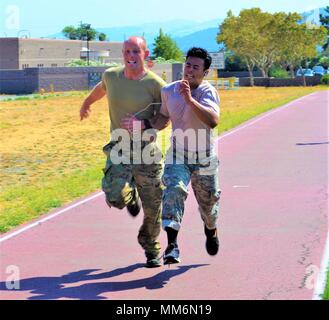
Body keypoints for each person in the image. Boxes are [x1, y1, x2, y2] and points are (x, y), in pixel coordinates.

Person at [80, 36, 167, 268]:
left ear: (145, 55)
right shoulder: (112, 76)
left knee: (153, 207)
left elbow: (164, 118)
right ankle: (130, 197)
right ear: (123, 54)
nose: (131, 56)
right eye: (127, 52)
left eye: (136, 52)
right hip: (119, 148)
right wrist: (86, 103)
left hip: (147, 151)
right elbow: (101, 89)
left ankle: (151, 248)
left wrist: (145, 126)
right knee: (115, 196)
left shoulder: (156, 84)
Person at [155, 47, 221, 265]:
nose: (190, 70)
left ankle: (211, 230)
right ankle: (172, 245)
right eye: (188, 65)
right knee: (174, 190)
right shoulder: (168, 91)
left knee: (209, 205)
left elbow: (213, 121)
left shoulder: (207, 91)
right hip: (178, 154)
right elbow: (163, 118)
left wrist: (190, 99)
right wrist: (144, 126)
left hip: (204, 157)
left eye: (196, 67)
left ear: (205, 72)